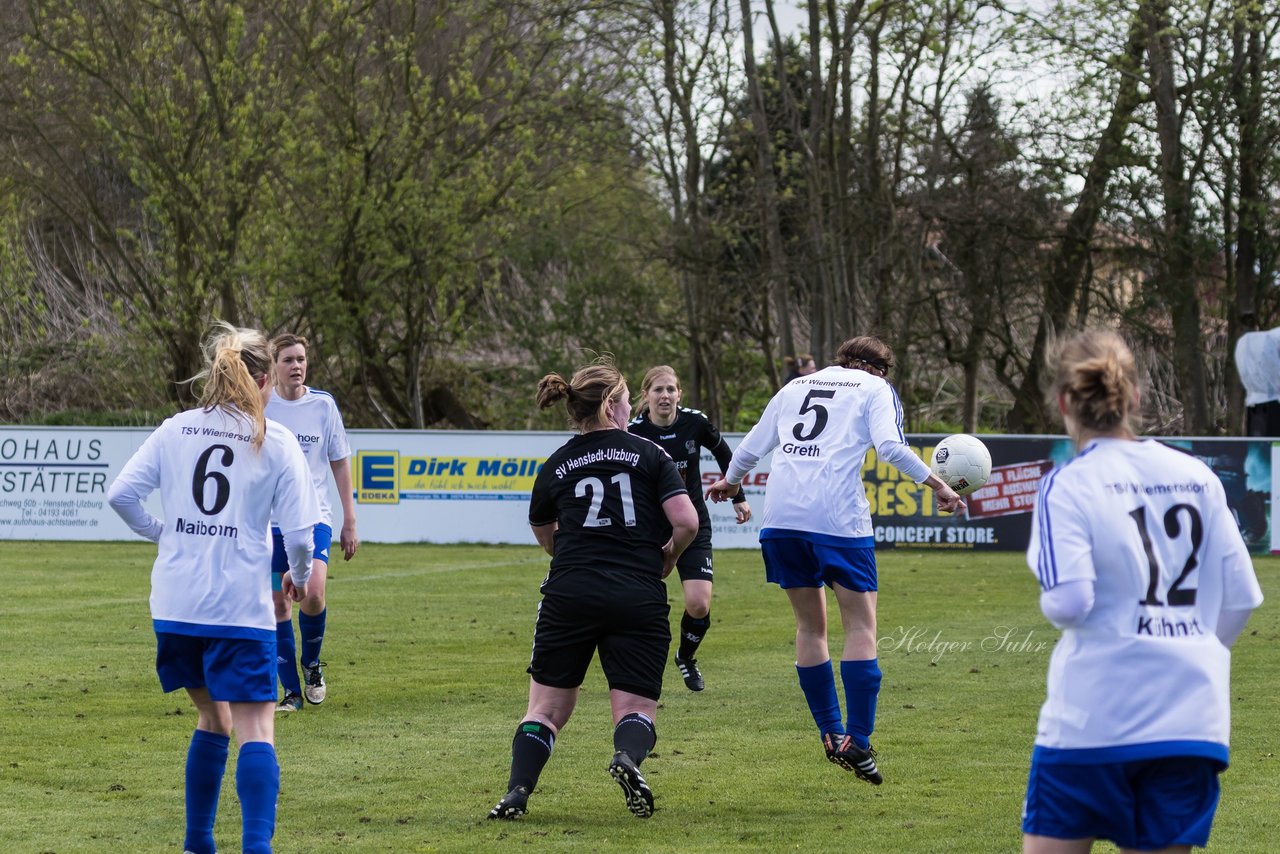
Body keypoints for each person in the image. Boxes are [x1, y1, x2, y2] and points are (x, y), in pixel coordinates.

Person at [1022, 330, 1263, 853]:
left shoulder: (1068, 483)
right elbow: (1242, 598)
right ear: (1133, 396)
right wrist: (1186, 650)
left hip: (1094, 718)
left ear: (1063, 402)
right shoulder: (1196, 475)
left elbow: (1069, 602)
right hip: (1190, 719)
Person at [707, 335, 965, 785]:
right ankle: (859, 739)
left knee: (810, 628)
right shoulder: (875, 390)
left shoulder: (795, 386)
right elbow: (889, 448)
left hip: (782, 519)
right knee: (861, 627)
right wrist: (939, 485)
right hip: (838, 521)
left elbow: (749, 447)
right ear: (879, 370)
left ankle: (831, 733)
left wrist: (730, 482)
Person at [107, 322, 320, 854]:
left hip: (176, 605)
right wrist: (295, 576)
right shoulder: (276, 440)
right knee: (256, 727)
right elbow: (298, 535)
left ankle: (197, 844)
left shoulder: (176, 427)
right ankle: (256, 848)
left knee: (211, 717)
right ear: (266, 378)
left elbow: (121, 495)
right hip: (239, 607)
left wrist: (164, 534)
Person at [488, 358, 699, 820]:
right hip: (637, 593)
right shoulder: (650, 454)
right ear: (610, 405)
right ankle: (627, 757)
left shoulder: (558, 461)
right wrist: (666, 557)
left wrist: (573, 556)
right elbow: (686, 522)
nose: (630, 409)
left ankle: (516, 793)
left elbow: (544, 532)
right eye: (626, 401)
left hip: (571, 592)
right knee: (637, 706)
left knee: (544, 710)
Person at [628, 366, 751, 691]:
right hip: (650, 529)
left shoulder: (695, 422)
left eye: (671, 389)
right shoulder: (633, 431)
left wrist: (737, 494)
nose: (665, 395)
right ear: (646, 396)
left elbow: (726, 453)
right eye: (658, 390)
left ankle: (685, 656)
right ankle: (637, 670)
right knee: (638, 604)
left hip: (693, 525)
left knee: (699, 605)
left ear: (679, 394)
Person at [266, 333, 359, 712]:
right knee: (277, 604)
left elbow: (339, 460)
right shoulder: (261, 405)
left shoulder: (323, 406)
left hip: (313, 518)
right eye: (288, 359)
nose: (297, 366)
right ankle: (290, 692)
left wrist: (349, 519)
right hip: (269, 525)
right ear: (274, 365)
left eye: (301, 359)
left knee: (314, 592)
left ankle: (312, 665)